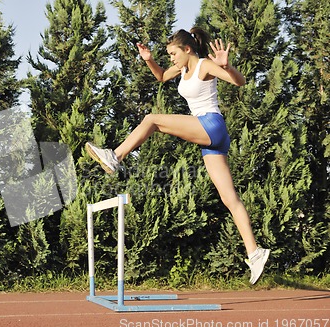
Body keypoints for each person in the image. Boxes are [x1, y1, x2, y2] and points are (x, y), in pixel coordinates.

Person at [85, 27, 270, 284]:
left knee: (152, 119)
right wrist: (149, 59)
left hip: (211, 125)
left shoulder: (205, 65)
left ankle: (115, 156)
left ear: (187, 49)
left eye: (173, 53)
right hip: (211, 138)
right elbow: (161, 77)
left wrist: (227, 67)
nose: (171, 58)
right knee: (230, 198)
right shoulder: (182, 69)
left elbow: (240, 82)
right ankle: (255, 252)